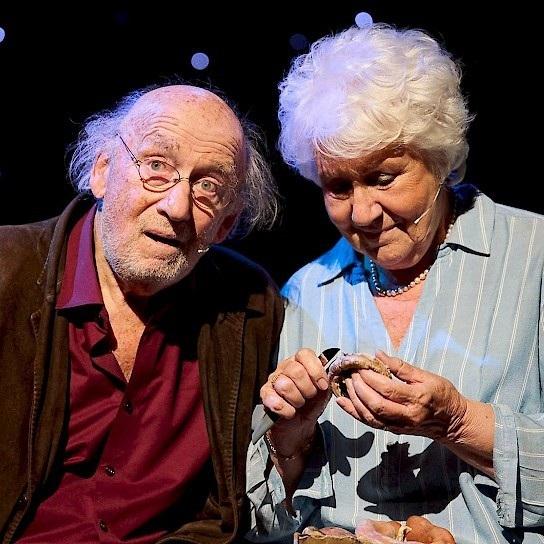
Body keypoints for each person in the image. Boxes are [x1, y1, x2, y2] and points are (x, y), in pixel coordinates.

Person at [246, 23, 544, 544]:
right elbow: (265, 523)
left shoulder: (533, 257)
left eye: (383, 178)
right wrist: (290, 437)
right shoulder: (305, 292)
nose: (362, 212)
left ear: (439, 158)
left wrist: (455, 422)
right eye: (338, 186)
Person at [0, 83, 284, 543]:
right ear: (102, 171)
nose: (177, 207)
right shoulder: (5, 271)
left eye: (208, 186)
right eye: (156, 166)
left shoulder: (251, 307)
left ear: (225, 224)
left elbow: (228, 509)